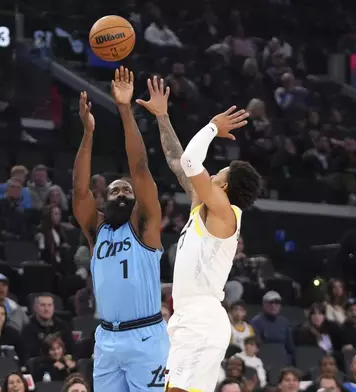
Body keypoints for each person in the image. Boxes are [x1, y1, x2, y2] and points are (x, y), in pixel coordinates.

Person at [136, 76, 260, 392]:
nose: (214, 173)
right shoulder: (203, 205)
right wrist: (162, 116)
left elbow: (192, 161)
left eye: (220, 173)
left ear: (224, 186)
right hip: (188, 317)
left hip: (202, 319)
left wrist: (212, 128)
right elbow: (180, 162)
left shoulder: (225, 213)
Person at [72, 67, 170, 391]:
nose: (122, 193)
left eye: (126, 191)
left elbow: (140, 170)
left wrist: (125, 110)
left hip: (145, 337)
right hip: (107, 338)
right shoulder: (96, 229)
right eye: (115, 191)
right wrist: (88, 133)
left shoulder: (144, 227)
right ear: (106, 200)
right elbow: (79, 191)